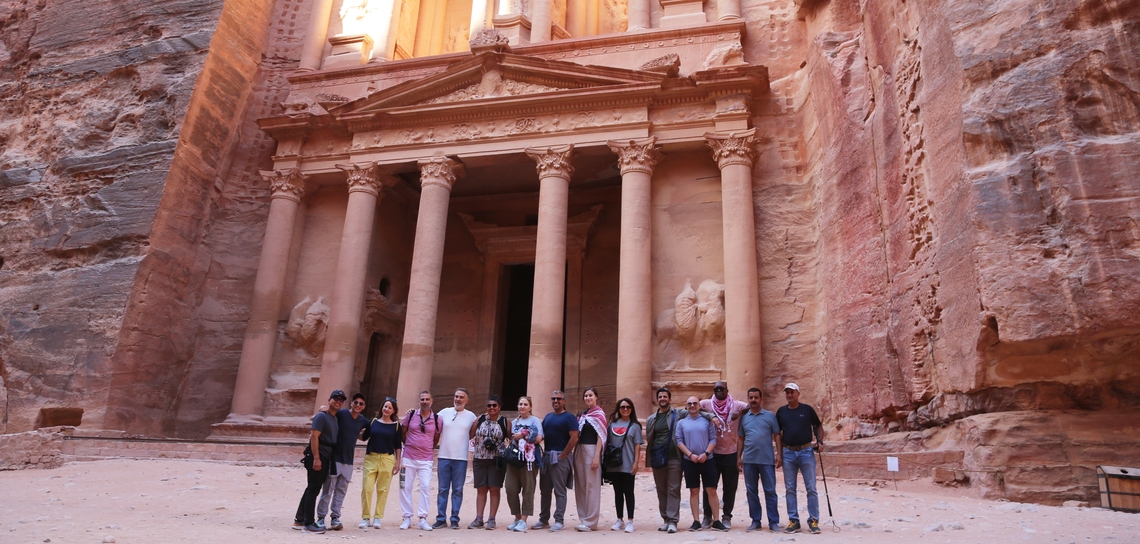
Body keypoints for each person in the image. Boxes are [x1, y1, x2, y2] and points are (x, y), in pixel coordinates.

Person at [315, 393, 369, 531]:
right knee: (328, 489)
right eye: (356, 402)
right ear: (351, 403)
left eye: (361, 404)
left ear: (364, 407)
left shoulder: (363, 420)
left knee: (341, 490)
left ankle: (335, 517)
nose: (358, 405)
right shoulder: (342, 414)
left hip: (348, 461)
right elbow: (329, 414)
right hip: (335, 458)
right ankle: (321, 517)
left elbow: (367, 434)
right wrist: (322, 408)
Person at [293, 389, 345, 533]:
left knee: (312, 487)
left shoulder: (334, 417)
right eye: (336, 398)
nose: (338, 401)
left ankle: (299, 519)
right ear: (329, 400)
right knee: (314, 489)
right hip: (318, 455)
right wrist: (316, 458)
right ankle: (309, 523)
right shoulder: (322, 416)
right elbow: (314, 437)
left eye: (341, 400)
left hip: (326, 456)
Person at [698, 381, 748, 528]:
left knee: (730, 487)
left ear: (727, 390)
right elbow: (694, 407)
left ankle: (726, 516)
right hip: (712, 454)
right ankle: (707, 516)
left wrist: (739, 414)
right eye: (716, 389)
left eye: (722, 389)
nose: (719, 391)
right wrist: (710, 416)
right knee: (709, 486)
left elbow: (752, 405)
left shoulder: (737, 405)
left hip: (731, 453)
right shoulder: (707, 404)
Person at [776, 383, 823, 535]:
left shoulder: (807, 409)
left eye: (792, 392)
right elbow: (777, 433)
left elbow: (818, 425)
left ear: (798, 393)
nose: (789, 395)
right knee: (790, 489)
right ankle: (794, 520)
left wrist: (820, 441)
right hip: (788, 452)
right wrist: (779, 453)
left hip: (806, 451)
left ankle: (814, 519)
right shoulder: (781, 412)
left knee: (811, 487)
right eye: (787, 393)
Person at [675, 396, 727, 532]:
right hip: (690, 461)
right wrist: (690, 455)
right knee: (694, 491)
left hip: (707, 460)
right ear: (686, 407)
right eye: (689, 404)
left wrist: (706, 454)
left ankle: (716, 520)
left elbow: (713, 439)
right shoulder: (681, 423)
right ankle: (696, 521)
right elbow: (679, 441)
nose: (692, 406)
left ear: (699, 406)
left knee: (711, 490)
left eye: (695, 403)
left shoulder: (707, 421)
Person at [737, 387, 782, 532]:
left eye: (756, 397)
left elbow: (777, 435)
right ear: (748, 399)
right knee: (751, 491)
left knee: (770, 491)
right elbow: (741, 439)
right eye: (751, 398)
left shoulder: (770, 416)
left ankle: (773, 522)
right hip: (749, 460)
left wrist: (779, 454)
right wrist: (738, 457)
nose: (753, 400)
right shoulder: (744, 418)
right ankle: (756, 520)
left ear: (761, 399)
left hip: (767, 460)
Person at [534, 390, 578, 532]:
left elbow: (574, 437)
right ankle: (543, 519)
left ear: (564, 401)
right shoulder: (548, 417)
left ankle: (559, 520)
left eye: (559, 399)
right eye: (553, 398)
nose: (556, 401)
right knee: (545, 491)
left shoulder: (569, 418)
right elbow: (543, 436)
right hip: (547, 456)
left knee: (559, 491)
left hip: (560, 457)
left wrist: (565, 454)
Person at [434, 388, 478, 529]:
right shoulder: (443, 413)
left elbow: (474, 434)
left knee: (458, 490)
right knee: (442, 489)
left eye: (461, 397)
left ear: (467, 400)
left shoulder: (471, 416)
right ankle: (441, 518)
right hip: (444, 456)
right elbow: (430, 422)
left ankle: (454, 519)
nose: (458, 399)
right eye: (456, 396)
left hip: (461, 458)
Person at [400, 390, 441, 531]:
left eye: (427, 399)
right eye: (422, 399)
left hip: (426, 459)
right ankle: (406, 517)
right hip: (408, 457)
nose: (425, 401)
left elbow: (436, 437)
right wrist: (411, 445)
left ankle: (423, 518)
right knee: (405, 486)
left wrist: (427, 447)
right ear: (419, 401)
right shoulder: (410, 415)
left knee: (424, 487)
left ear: (431, 401)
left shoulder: (437, 419)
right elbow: (403, 433)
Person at [644, 387, 683, 534]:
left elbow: (696, 411)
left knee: (673, 488)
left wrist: (712, 417)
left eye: (665, 397)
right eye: (660, 397)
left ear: (669, 399)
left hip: (674, 457)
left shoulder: (678, 414)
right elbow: (650, 438)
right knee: (661, 489)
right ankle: (666, 519)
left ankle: (673, 520)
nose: (662, 399)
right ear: (657, 399)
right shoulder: (651, 419)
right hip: (658, 458)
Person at [360, 397, 402, 529]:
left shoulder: (396, 426)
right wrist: (350, 430)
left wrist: (398, 462)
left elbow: (398, 445)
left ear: (393, 410)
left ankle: (378, 517)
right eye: (385, 406)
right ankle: (365, 517)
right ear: (382, 407)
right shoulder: (373, 422)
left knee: (383, 489)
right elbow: (364, 437)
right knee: (367, 488)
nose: (387, 409)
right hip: (371, 458)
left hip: (387, 459)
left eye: (390, 407)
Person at [469, 395, 509, 530]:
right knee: (481, 488)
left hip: (496, 460)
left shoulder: (505, 421)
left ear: (499, 407)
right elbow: (471, 435)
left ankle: (491, 519)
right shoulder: (480, 419)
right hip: (480, 458)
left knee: (494, 488)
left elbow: (510, 437)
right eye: (489, 406)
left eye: (494, 405)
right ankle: (479, 518)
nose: (491, 408)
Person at [504, 396, 544, 532]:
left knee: (528, 489)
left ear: (530, 407)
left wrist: (523, 435)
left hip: (529, 460)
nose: (522, 406)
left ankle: (524, 520)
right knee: (510, 488)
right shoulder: (514, 422)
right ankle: (517, 517)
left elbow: (539, 438)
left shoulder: (535, 421)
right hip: (514, 459)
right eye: (520, 404)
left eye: (525, 404)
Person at [606, 398, 643, 533]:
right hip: (615, 464)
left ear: (631, 409)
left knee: (629, 492)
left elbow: (637, 445)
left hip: (628, 464)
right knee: (617, 492)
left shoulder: (635, 426)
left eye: (628, 407)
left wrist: (636, 463)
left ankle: (630, 520)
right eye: (622, 407)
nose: (625, 409)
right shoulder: (612, 425)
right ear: (618, 409)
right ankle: (619, 519)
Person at [574, 386, 606, 532]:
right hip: (580, 450)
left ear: (596, 397)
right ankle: (583, 518)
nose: (588, 398)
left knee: (592, 485)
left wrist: (596, 457)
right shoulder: (583, 414)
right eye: (586, 396)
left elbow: (601, 436)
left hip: (592, 449)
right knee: (581, 485)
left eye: (590, 395)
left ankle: (591, 522)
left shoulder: (599, 414)